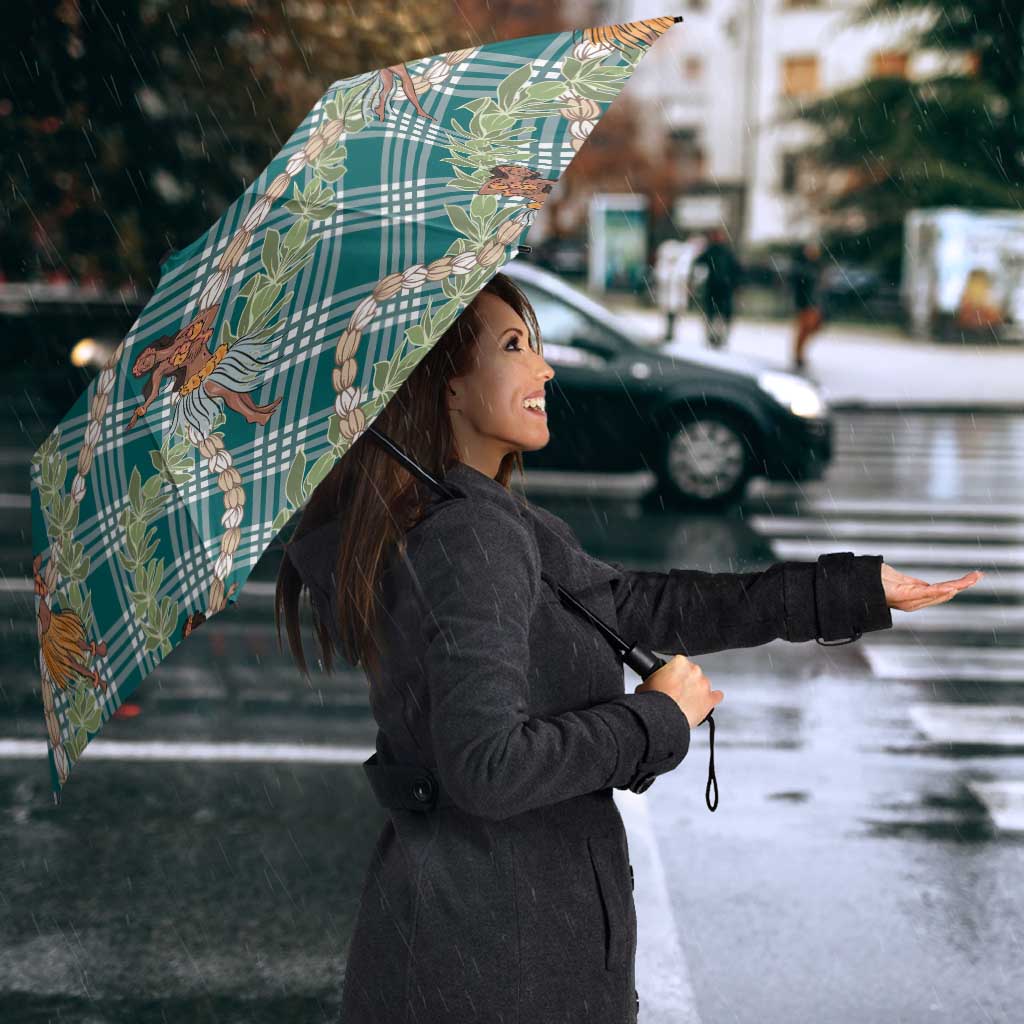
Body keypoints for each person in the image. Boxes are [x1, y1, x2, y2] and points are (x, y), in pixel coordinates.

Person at [276, 271, 980, 1024]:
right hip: (497, 963)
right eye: (514, 346)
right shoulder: (470, 536)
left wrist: (850, 590)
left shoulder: (479, 519)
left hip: (481, 942)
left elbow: (642, 605)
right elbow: (487, 768)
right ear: (445, 385)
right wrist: (655, 719)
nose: (544, 368)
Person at [692, 226, 742, 349]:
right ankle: (713, 337)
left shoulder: (725, 252)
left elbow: (736, 270)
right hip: (715, 288)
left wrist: (735, 284)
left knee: (720, 315)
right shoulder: (712, 251)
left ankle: (719, 337)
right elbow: (698, 264)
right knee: (713, 314)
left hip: (723, 288)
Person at [790, 239, 826, 370]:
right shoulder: (802, 267)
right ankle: (798, 355)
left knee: (812, 328)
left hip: (814, 303)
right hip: (805, 303)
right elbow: (799, 286)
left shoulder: (817, 266)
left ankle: (799, 354)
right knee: (804, 329)